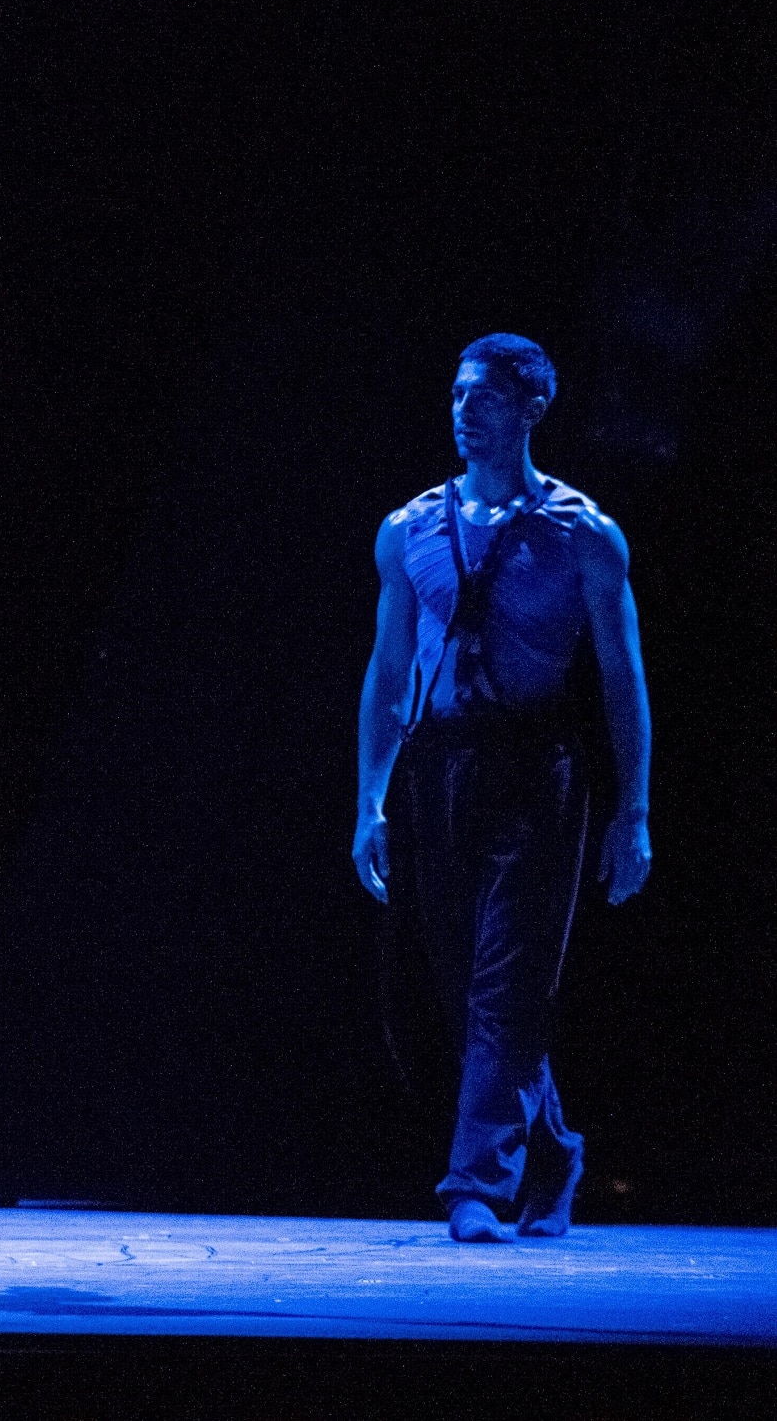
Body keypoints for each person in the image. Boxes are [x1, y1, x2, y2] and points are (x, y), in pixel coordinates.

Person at [353, 334, 653, 1242]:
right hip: (439, 772)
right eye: (454, 394)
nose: (461, 409)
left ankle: (473, 1185)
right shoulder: (407, 530)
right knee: (460, 984)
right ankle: (554, 1147)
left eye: (482, 395)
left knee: (508, 985)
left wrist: (632, 812)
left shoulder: (582, 534)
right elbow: (388, 667)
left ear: (530, 406)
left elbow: (620, 678)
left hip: (537, 775)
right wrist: (369, 797)